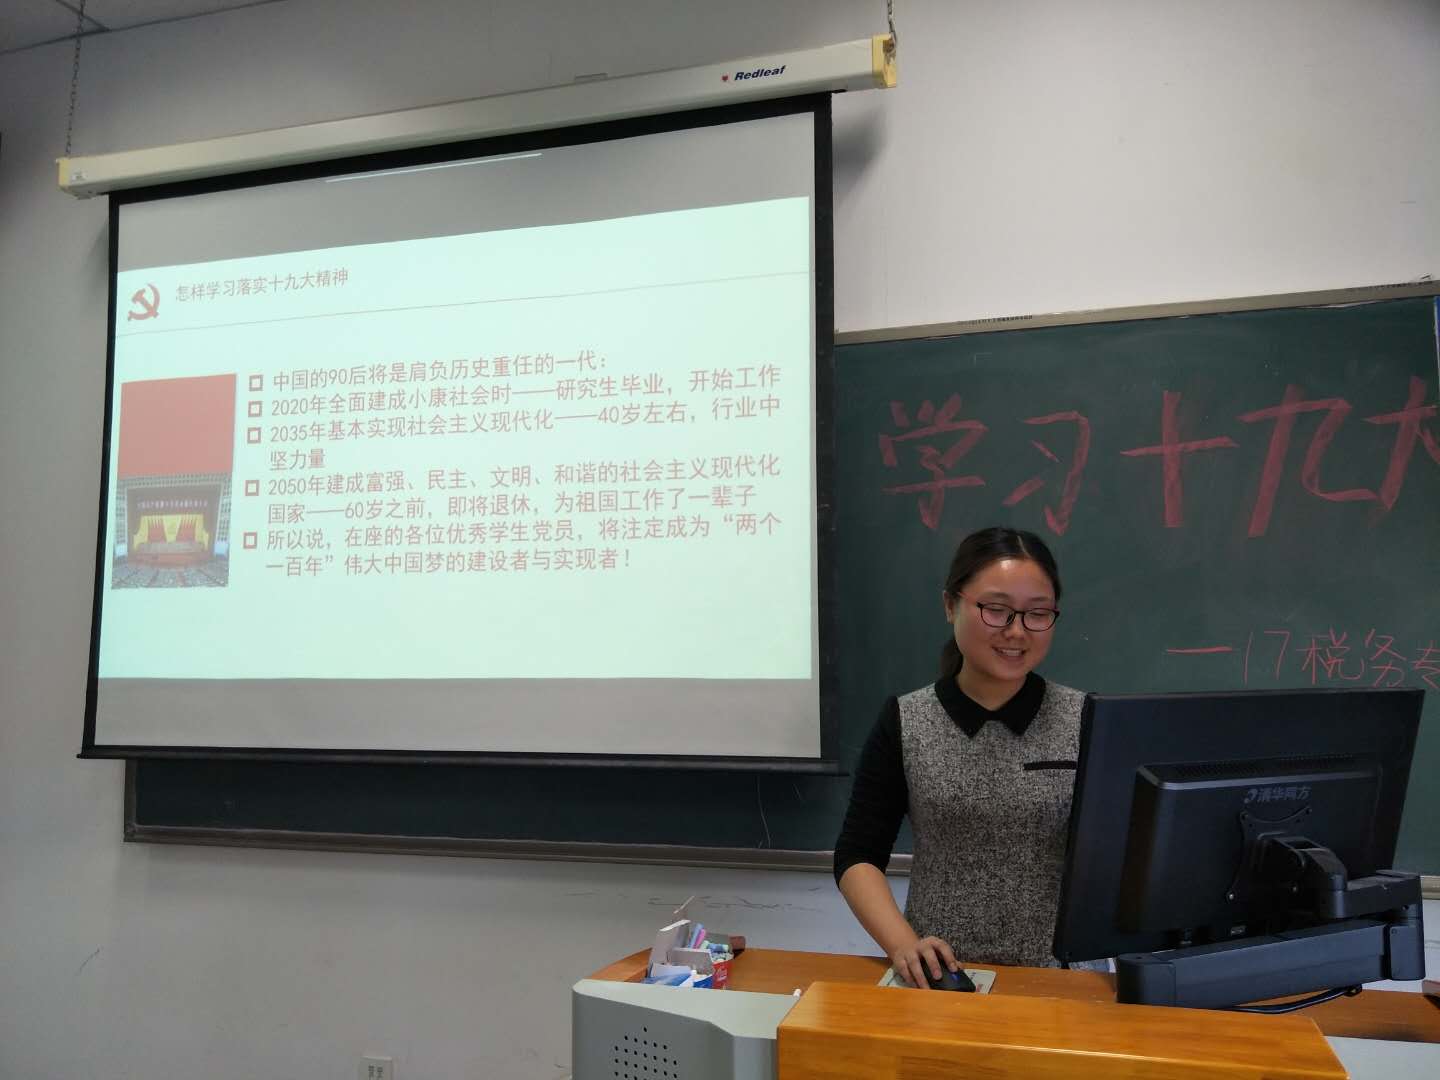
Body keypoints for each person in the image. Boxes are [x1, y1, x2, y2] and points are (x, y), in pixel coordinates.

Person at [834, 525, 1087, 989]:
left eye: (1037, 613)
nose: (1016, 631)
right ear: (951, 604)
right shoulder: (906, 720)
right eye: (996, 610)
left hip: (1060, 981)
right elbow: (858, 856)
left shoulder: (1085, 718)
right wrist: (903, 945)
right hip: (942, 979)